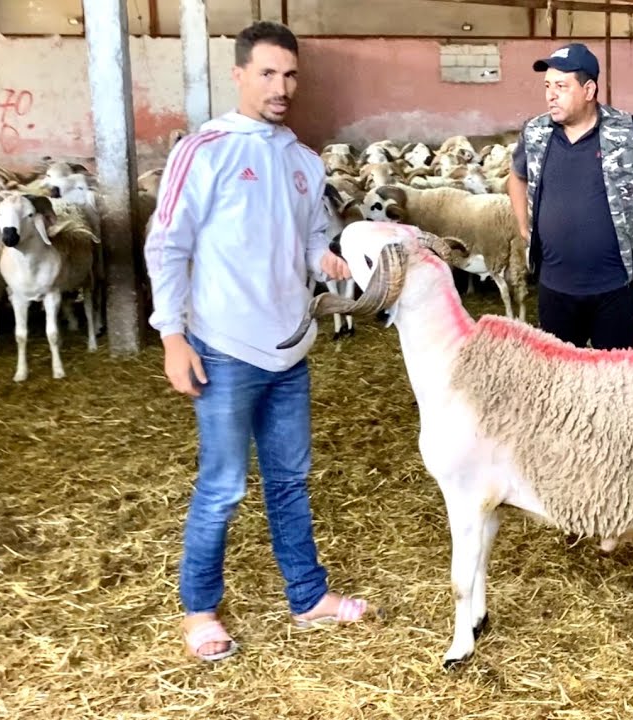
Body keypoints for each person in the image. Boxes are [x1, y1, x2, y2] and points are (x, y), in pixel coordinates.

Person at [144, 20, 376, 663]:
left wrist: (329, 262)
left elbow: (307, 242)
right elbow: (167, 243)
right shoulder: (207, 149)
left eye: (290, 74)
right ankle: (199, 610)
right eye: (268, 73)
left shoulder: (302, 160)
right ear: (240, 74)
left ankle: (308, 598)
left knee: (290, 482)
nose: (282, 87)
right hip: (223, 345)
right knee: (222, 485)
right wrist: (171, 334)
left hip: (289, 348)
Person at [507, 42, 633, 351]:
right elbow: (516, 176)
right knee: (558, 376)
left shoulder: (628, 130)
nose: (551, 94)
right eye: (547, 86)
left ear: (588, 90)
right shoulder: (535, 132)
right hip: (554, 285)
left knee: (615, 379)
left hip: (615, 287)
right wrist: (525, 226)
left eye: (561, 86)